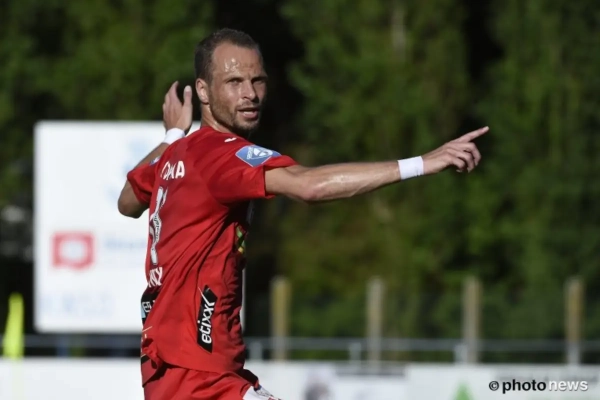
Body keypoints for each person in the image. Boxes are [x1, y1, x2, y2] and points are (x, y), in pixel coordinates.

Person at [117, 28, 488, 400]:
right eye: (234, 82)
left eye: (257, 80)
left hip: (178, 369)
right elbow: (308, 185)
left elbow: (128, 201)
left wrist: (172, 136)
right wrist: (423, 162)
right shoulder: (221, 153)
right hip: (200, 375)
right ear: (203, 91)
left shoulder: (179, 154)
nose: (250, 94)